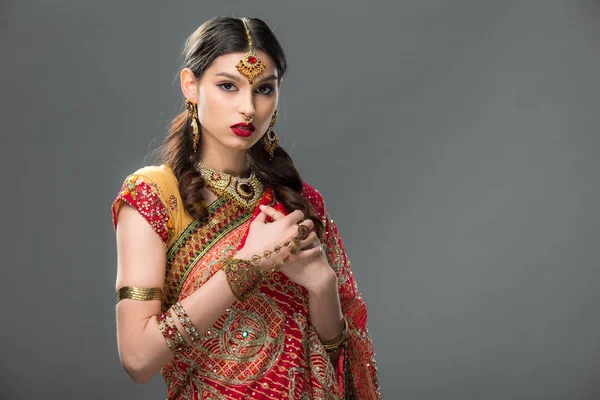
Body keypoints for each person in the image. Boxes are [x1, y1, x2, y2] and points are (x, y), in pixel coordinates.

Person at [111, 16, 380, 399]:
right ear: (191, 85)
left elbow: (339, 361)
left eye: (264, 89)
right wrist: (248, 267)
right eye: (227, 86)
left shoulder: (298, 201)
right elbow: (138, 359)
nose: (249, 107)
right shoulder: (154, 195)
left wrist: (322, 287)